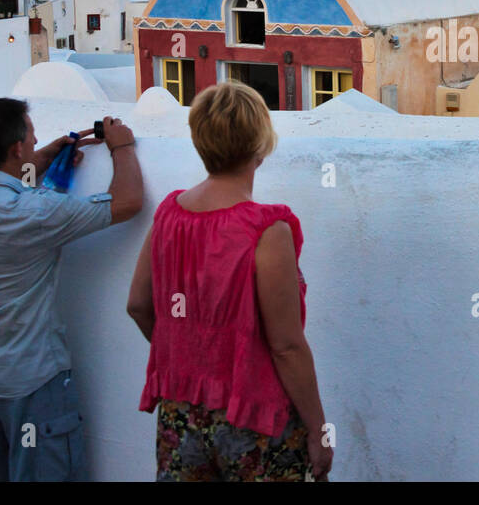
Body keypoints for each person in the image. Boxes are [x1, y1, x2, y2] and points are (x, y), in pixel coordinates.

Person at [0, 99, 145, 481]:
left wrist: (36, 162)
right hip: (30, 382)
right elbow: (127, 201)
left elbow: (3, 194)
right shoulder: (39, 212)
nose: (35, 141)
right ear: (16, 149)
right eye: (31, 137)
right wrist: (123, 146)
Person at [127, 81, 332, 481]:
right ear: (260, 147)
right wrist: (319, 429)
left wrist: (192, 356)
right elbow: (287, 346)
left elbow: (138, 304)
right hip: (254, 420)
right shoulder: (266, 229)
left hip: (180, 413)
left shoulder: (169, 215)